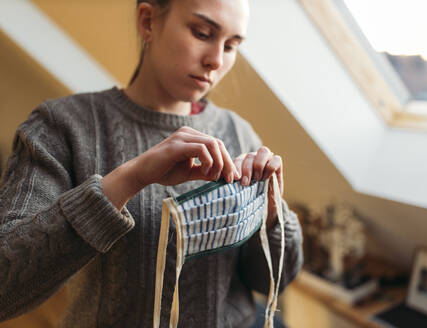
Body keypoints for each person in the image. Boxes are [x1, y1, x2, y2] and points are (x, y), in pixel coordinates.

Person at [0, 0, 303, 327]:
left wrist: (271, 216)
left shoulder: (239, 133)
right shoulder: (60, 126)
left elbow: (275, 280)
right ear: (147, 22)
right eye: (202, 33)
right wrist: (129, 179)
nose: (216, 60)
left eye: (231, 46)